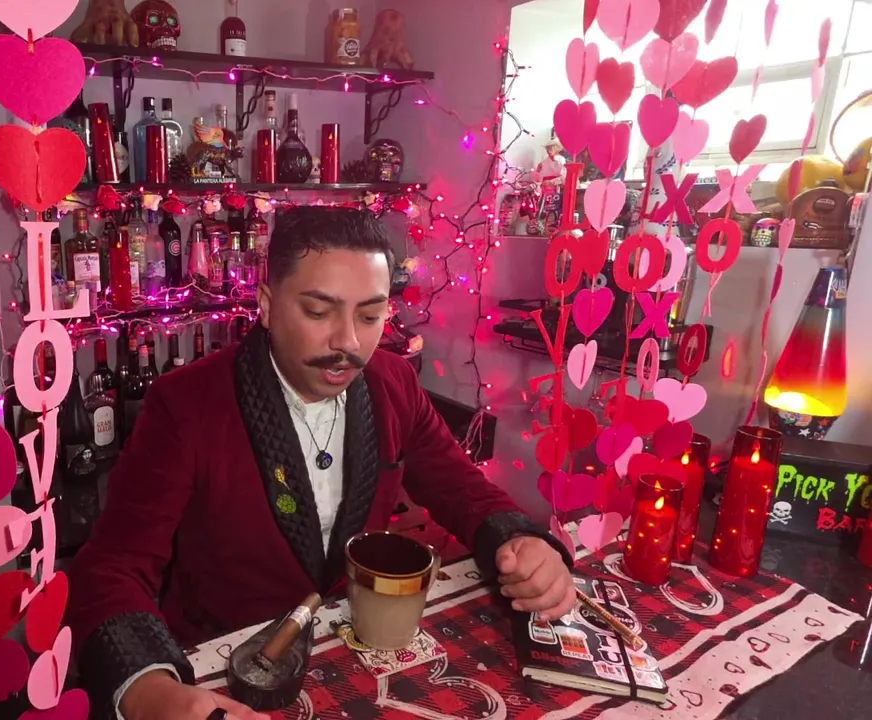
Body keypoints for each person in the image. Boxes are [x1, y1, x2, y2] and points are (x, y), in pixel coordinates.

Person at [66, 207, 575, 719]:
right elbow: (112, 567)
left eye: (370, 316)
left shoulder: (393, 382)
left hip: (357, 650)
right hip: (226, 667)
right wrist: (150, 690)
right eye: (318, 312)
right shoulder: (186, 403)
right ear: (267, 306)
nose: (348, 342)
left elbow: (460, 487)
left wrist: (519, 540)